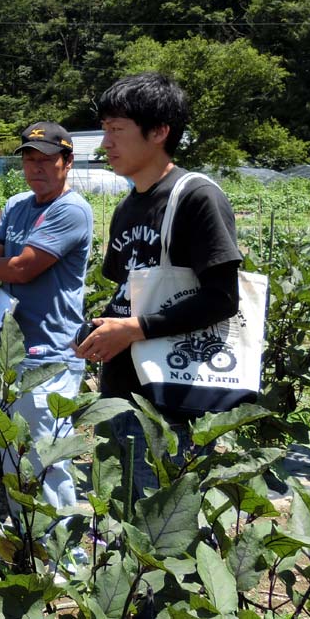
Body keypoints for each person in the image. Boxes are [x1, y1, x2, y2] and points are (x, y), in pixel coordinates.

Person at [74, 72, 242, 496]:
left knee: (161, 531)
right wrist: (102, 329)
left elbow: (223, 299)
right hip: (122, 391)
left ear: (159, 132)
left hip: (172, 403)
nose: (105, 142)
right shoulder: (129, 206)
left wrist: (134, 329)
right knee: (121, 521)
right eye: (104, 130)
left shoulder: (196, 196)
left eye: (116, 130)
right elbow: (128, 294)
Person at [0, 122, 94, 520]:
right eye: (29, 159)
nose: (36, 167)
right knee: (11, 454)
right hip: (10, 352)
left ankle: (62, 565)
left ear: (67, 162)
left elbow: (22, 269)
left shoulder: (71, 210)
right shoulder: (16, 206)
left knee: (48, 460)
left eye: (46, 160)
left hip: (50, 356)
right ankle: (27, 550)